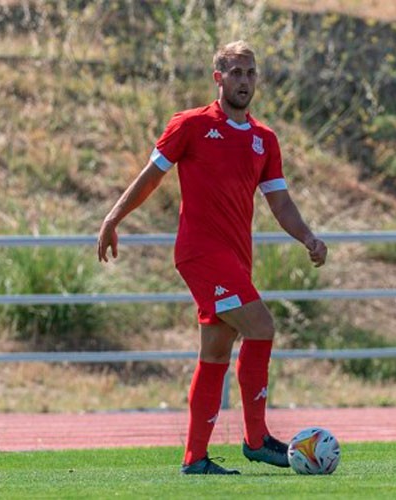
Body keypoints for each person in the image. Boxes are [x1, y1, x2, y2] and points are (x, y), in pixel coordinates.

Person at [97, 41, 327, 475]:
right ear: (218, 77)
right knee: (261, 326)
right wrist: (113, 217)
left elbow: (280, 203)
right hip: (200, 254)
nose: (244, 80)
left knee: (217, 353)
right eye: (235, 72)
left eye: (250, 72)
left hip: (237, 259)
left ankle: (195, 459)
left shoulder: (264, 140)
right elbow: (151, 178)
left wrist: (308, 237)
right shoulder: (192, 125)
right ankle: (256, 439)